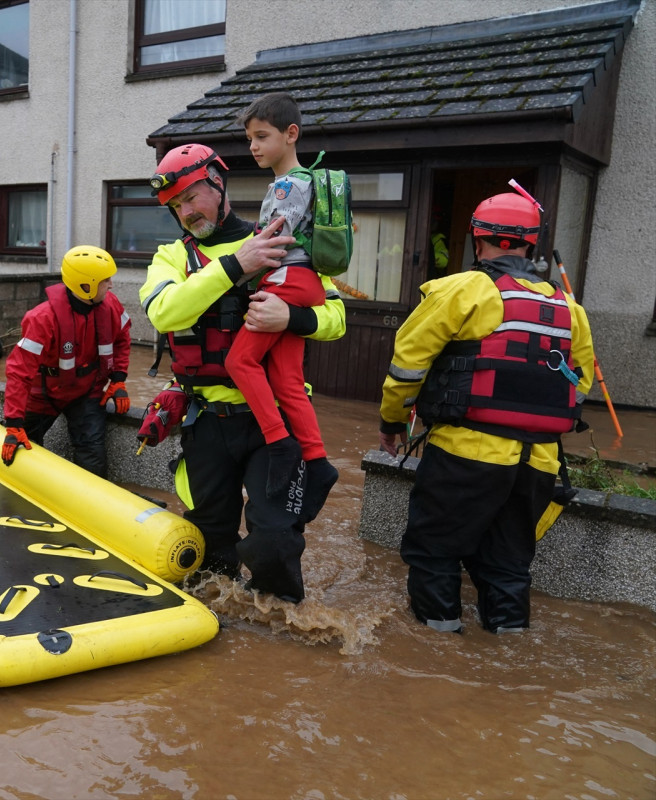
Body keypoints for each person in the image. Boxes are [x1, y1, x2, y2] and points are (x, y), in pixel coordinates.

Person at [378, 191, 594, 633]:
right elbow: (580, 386)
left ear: (478, 241)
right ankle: (508, 649)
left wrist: (392, 422)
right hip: (538, 463)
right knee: (508, 564)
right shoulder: (570, 311)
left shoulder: (461, 289)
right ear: (530, 245)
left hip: (465, 452)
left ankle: (437, 652)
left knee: (434, 553)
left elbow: (407, 366)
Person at [140, 143, 347, 601]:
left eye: (192, 197)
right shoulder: (172, 257)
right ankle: (220, 623)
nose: (186, 212)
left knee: (275, 537)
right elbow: (164, 313)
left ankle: (279, 623)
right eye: (176, 206)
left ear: (218, 183)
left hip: (271, 421)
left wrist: (291, 319)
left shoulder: (279, 235)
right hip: (207, 423)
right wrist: (239, 265)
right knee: (209, 543)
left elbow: (336, 318)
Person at [226, 92, 334, 500]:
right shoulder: (304, 182)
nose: (253, 146)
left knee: (240, 360)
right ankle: (319, 462)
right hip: (305, 282)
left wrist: (234, 269)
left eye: (261, 136)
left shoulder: (288, 184)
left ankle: (279, 443)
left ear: (291, 134)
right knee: (287, 380)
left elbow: (271, 239)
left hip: (286, 280)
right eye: (250, 138)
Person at [1, 245, 131, 478]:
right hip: (44, 393)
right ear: (86, 286)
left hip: (87, 391)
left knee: (92, 455)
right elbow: (19, 371)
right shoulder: (42, 318)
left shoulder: (110, 305)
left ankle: (91, 502)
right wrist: (13, 423)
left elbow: (122, 338)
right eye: (105, 280)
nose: (111, 285)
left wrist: (118, 380)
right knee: (18, 448)